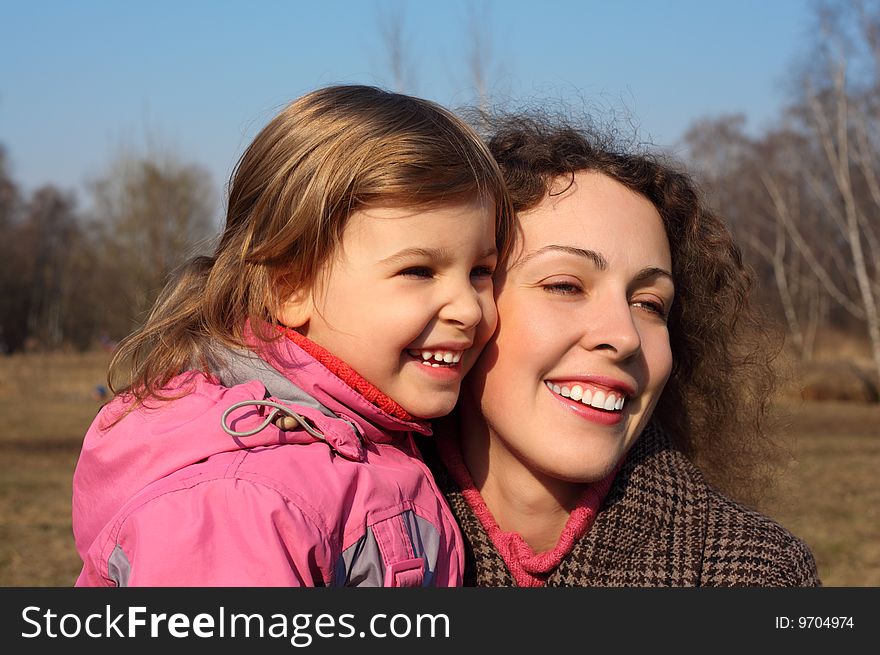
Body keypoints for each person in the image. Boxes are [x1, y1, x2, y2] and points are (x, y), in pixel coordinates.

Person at [72, 85, 513, 587]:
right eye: (418, 271)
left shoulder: (372, 435)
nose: (469, 308)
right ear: (290, 287)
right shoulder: (244, 503)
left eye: (481, 271)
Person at [419, 113, 821, 586]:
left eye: (650, 303)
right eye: (566, 285)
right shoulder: (336, 530)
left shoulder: (756, 572)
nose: (626, 335)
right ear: (466, 307)